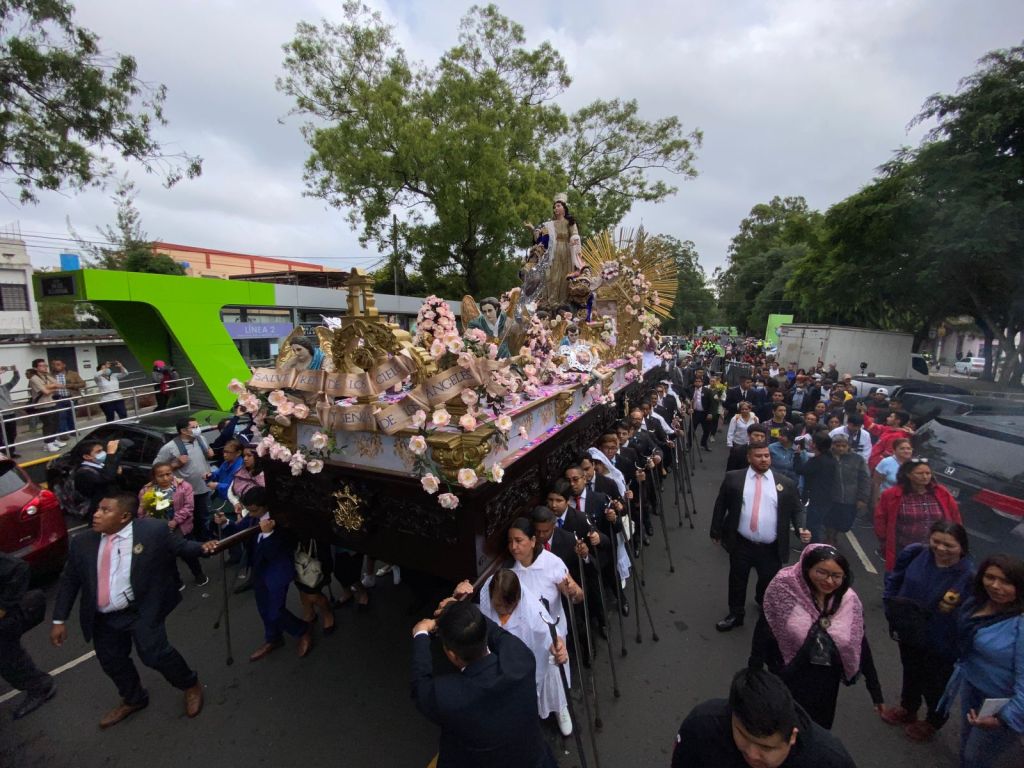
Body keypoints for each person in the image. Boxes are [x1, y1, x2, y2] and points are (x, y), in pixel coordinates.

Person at [50, 493, 217, 727]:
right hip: (104, 618)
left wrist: (204, 547)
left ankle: (190, 684)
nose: (96, 514)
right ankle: (133, 698)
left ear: (124, 516)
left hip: (140, 610)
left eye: (105, 510)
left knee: (155, 654)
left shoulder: (152, 531)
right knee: (112, 660)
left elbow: (181, 547)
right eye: (98, 508)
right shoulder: (82, 542)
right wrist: (59, 619)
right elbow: (70, 581)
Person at [750, 544, 884, 729]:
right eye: (821, 572)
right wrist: (753, 673)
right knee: (781, 728)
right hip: (786, 676)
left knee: (816, 731)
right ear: (807, 569)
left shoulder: (849, 601)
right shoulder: (784, 589)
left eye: (836, 576)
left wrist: (875, 691)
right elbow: (765, 629)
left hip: (825, 684)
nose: (829, 581)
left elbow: (860, 642)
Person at [411, 599, 559, 768]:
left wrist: (421, 633)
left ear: (452, 655)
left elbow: (420, 686)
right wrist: (463, 612)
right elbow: (496, 633)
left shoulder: (449, 697)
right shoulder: (520, 659)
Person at [881, 521, 974, 741]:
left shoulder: (969, 576)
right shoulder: (915, 554)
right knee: (911, 671)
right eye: (936, 542)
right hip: (910, 632)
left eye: (949, 545)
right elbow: (895, 579)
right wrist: (890, 605)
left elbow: (970, 614)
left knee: (936, 684)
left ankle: (933, 720)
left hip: (942, 642)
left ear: (962, 547)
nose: (941, 549)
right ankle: (908, 708)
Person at [671, 667, 857, 768]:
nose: (752, 754)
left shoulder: (830, 761)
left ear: (792, 736)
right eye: (743, 736)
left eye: (766, 747)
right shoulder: (701, 727)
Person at [711, 443, 810, 632]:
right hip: (742, 542)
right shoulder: (734, 478)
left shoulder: (785, 483)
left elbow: (797, 510)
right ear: (749, 458)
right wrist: (715, 530)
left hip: (770, 546)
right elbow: (721, 504)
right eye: (759, 456)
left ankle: (763, 603)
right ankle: (736, 613)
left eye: (766, 455)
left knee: (768, 580)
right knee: (738, 579)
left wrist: (801, 528)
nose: (764, 459)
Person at [939, 554, 1024, 768]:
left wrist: (1004, 718)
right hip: (973, 686)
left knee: (975, 757)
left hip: (1002, 703)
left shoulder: (1020, 623)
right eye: (990, 577)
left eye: (1006, 581)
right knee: (966, 746)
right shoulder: (979, 602)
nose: (996, 586)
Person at [214, 487, 312, 661]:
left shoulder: (282, 522)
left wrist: (268, 535)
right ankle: (273, 638)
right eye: (249, 510)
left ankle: (302, 630)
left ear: (266, 506)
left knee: (275, 610)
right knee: (263, 609)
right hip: (258, 570)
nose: (251, 514)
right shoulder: (253, 518)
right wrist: (224, 523)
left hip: (277, 571)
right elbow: (239, 530)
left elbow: (277, 552)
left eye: (254, 510)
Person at [473, 569, 570, 729]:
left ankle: (559, 707)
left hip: (532, 653)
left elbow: (549, 633)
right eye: (498, 605)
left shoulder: (532, 610)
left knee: (547, 675)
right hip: (503, 657)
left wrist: (558, 645)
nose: (503, 610)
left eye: (509, 606)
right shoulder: (484, 594)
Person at [875, 458, 962, 572]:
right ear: (908, 475)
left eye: (928, 473)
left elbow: (955, 516)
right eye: (920, 473)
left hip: (935, 551)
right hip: (903, 550)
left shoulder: (942, 492)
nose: (925, 477)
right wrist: (884, 542)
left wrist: (957, 539)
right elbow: (880, 519)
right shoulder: (891, 495)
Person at [0, 551, 55, 719]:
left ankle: (39, 687)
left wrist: (3, 607)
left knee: (7, 657)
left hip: (7, 621)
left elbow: (20, 569)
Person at [137, 462, 208, 587]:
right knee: (167, 558)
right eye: (160, 476)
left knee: (188, 553)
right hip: (159, 530)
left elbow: (189, 507)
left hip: (181, 527)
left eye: (168, 474)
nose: (165, 478)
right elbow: (143, 512)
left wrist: (175, 521)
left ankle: (199, 574)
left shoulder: (183, 486)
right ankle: (177, 582)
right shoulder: (146, 491)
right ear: (154, 477)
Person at [154, 416, 215, 542]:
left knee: (204, 516)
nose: (197, 429)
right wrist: (175, 464)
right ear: (183, 431)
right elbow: (156, 467)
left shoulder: (201, 439)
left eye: (197, 426)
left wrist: (210, 452)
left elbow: (207, 454)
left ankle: (205, 540)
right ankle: (189, 544)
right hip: (184, 492)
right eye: (194, 427)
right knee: (187, 518)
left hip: (203, 487)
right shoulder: (170, 447)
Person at [533, 192, 583, 310]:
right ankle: (552, 302)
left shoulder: (570, 222)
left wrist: (573, 239)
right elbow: (542, 239)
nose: (556, 208)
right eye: (554, 207)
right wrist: (535, 233)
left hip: (566, 250)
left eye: (558, 206)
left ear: (564, 207)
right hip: (554, 251)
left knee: (565, 276)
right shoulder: (550, 224)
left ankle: (564, 302)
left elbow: (575, 234)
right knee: (553, 277)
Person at [823, 433, 869, 545]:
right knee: (829, 520)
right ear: (832, 445)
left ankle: (835, 534)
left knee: (845, 524)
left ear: (848, 446)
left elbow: (864, 479)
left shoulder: (858, 459)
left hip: (850, 499)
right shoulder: (826, 457)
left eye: (844, 446)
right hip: (831, 498)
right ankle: (830, 538)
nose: (841, 448)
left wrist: (862, 498)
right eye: (837, 445)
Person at [72, 439, 123, 519]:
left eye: (102, 450)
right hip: (99, 510)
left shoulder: (100, 464)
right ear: (86, 456)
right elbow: (106, 479)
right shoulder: (84, 472)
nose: (103, 453)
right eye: (98, 452)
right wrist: (111, 455)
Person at [27, 358, 63, 452]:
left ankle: (53, 439)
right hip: (42, 404)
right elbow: (45, 391)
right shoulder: (34, 378)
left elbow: (58, 384)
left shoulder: (47, 376)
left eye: (45, 365)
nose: (45, 367)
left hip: (52, 402)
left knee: (55, 422)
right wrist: (51, 387)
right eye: (42, 366)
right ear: (36, 368)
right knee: (48, 424)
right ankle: (48, 443)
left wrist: (48, 386)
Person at [870, 436, 913, 510]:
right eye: (902, 448)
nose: (906, 451)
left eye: (908, 448)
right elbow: (876, 483)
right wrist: (876, 503)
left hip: (907, 503)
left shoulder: (914, 464)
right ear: (894, 450)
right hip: (887, 501)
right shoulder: (886, 462)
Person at [49, 359, 86, 440]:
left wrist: (72, 385)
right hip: (58, 398)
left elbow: (83, 383)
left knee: (71, 415)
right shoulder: (50, 375)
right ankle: (63, 433)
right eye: (54, 365)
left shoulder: (73, 374)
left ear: (63, 365)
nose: (56, 366)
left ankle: (72, 430)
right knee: (61, 416)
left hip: (71, 397)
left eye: (58, 364)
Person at [0, 363, 21, 457]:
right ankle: (2, 452)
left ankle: (11, 451)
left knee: (12, 433)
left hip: (10, 413)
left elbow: (15, 380)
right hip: (1, 415)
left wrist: (15, 371)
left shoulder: (4, 387)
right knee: (1, 435)